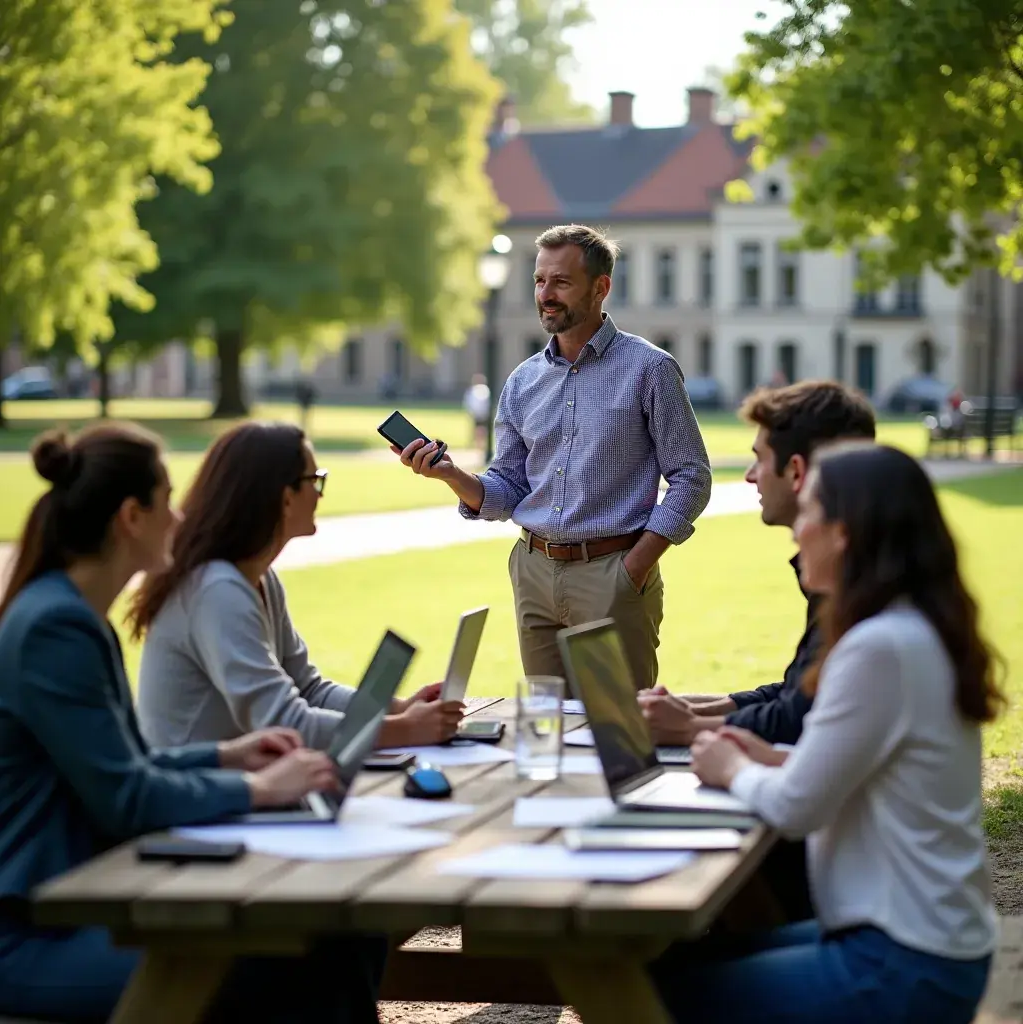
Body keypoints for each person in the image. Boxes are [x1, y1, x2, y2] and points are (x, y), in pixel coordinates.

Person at [0, 424, 385, 1023]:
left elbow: (128, 761)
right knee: (295, 958)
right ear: (131, 516)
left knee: (338, 934)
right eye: (167, 500)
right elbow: (127, 796)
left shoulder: (73, 617)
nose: (180, 518)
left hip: (81, 902)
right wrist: (257, 787)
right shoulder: (56, 628)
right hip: (32, 932)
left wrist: (226, 757)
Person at [650, 442, 1001, 1024]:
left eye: (809, 513)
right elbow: (857, 778)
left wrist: (733, 768)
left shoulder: (879, 647)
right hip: (930, 945)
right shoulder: (912, 629)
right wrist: (771, 759)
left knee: (662, 994)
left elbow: (797, 810)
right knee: (673, 961)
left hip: (905, 964)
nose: (797, 533)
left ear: (844, 533)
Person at [392, 223, 712, 689]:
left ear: (601, 287)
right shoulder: (522, 381)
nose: (546, 294)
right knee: (546, 732)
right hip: (533, 573)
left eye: (561, 282)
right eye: (540, 281)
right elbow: (509, 486)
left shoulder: (650, 369)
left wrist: (633, 567)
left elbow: (692, 478)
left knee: (618, 737)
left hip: (613, 572)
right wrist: (451, 475)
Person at [132, 422, 464, 752]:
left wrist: (399, 710)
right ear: (285, 497)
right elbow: (284, 721)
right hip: (203, 795)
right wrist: (406, 729)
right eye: (315, 481)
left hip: (248, 782)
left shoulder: (260, 578)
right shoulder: (217, 591)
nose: (321, 493)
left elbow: (308, 688)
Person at [638, 381, 876, 747]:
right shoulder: (863, 566)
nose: (750, 475)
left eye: (760, 459)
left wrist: (688, 727)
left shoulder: (860, 587)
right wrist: (695, 709)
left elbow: (799, 719)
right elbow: (799, 692)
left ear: (796, 471)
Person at [463, 372, 492, 457]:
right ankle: (479, 446)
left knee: (481, 429)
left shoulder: (483, 389)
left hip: (481, 413)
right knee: (479, 429)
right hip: (479, 413)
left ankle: (480, 446)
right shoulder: (475, 390)